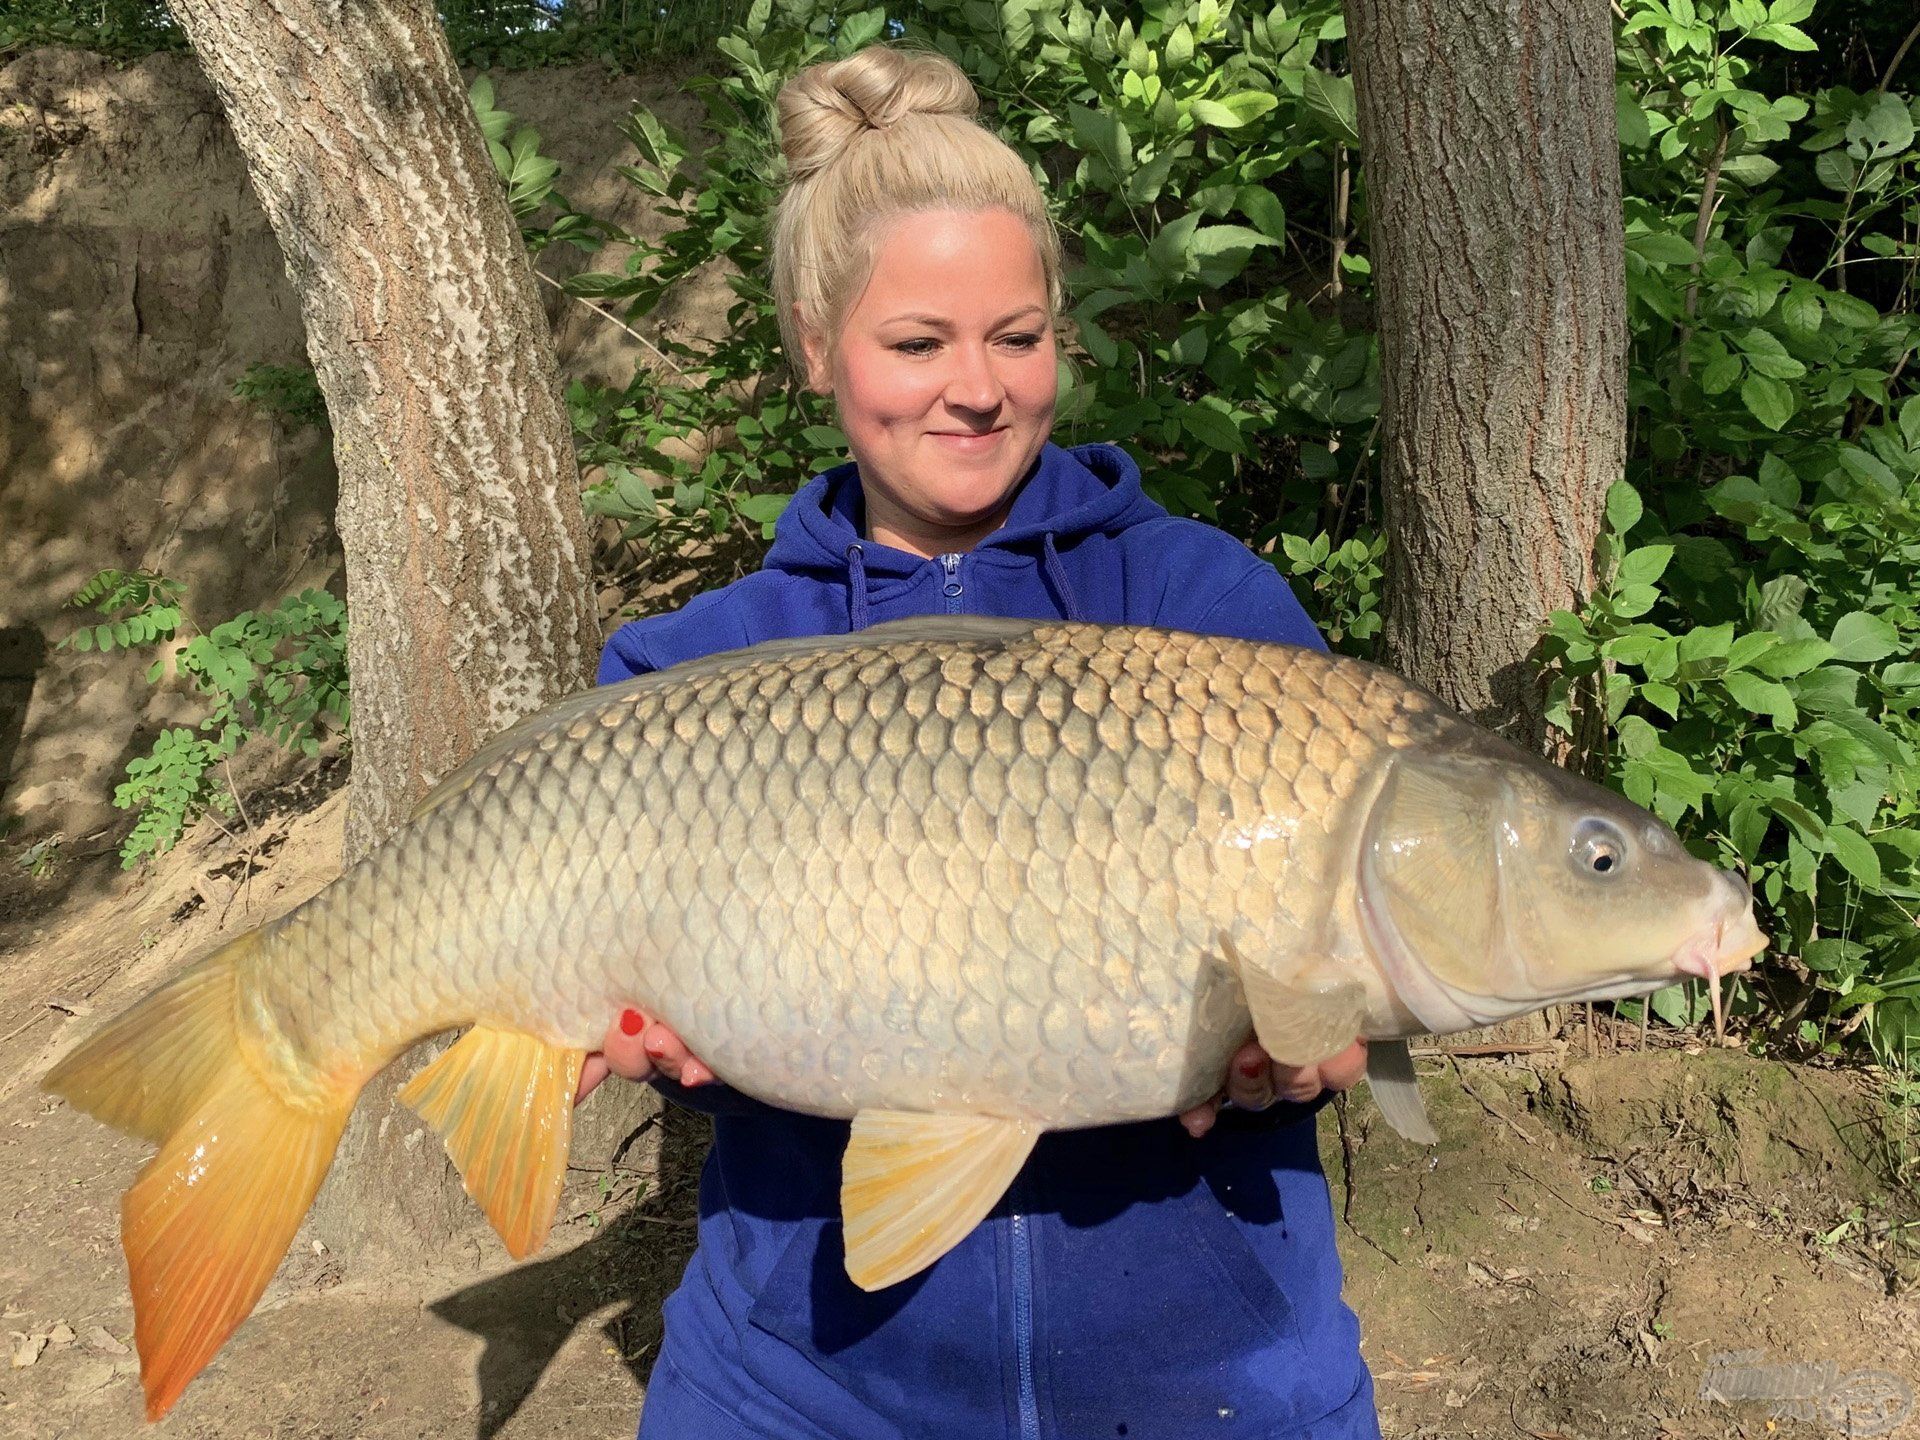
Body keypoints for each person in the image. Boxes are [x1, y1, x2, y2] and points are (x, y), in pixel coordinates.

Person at [575, 43, 1380, 1440]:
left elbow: (1347, 978)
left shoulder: (1210, 611)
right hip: (803, 1381)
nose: (979, 388)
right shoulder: (686, 672)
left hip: (1213, 1376)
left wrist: (1323, 1041)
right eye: (916, 343)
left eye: (1018, 336)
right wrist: (622, 1025)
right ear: (815, 342)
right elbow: (642, 1020)